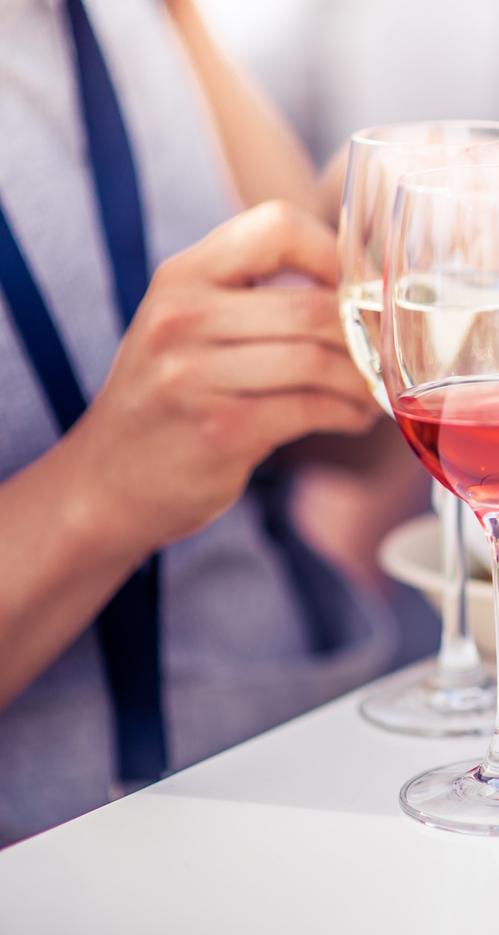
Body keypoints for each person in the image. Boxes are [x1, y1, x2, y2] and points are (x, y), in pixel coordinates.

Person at [0, 0, 399, 845]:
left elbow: (349, 431)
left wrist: (393, 273)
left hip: (313, 763)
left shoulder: (146, 16)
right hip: (63, 854)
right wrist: (103, 489)